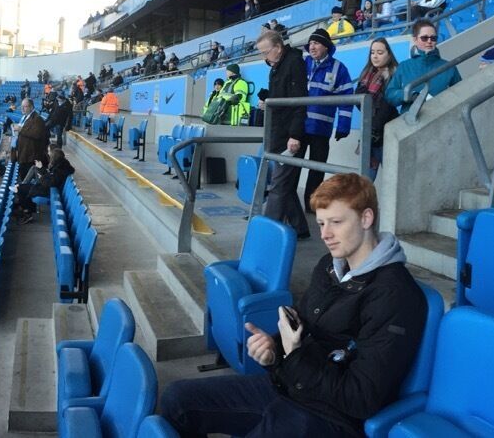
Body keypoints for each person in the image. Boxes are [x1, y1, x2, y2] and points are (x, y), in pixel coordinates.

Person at [158, 174, 425, 437]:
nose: (325, 234)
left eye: (336, 222)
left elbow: (362, 398)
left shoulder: (396, 296)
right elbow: (301, 330)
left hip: (330, 418)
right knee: (176, 400)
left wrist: (294, 355)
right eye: (321, 223)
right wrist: (273, 351)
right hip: (288, 387)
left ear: (366, 218)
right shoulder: (328, 267)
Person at [257, 24, 313, 237]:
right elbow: (280, 96)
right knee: (286, 186)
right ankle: (300, 228)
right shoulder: (276, 65)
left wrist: (295, 135)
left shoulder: (294, 63)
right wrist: (268, 102)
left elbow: (299, 101)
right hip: (278, 133)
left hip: (290, 135)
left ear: (278, 47)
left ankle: (266, 234)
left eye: (266, 52)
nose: (265, 57)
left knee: (279, 185)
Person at [301, 28, 355, 202]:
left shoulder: (339, 68)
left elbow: (346, 98)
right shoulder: (302, 63)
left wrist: (343, 125)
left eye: (316, 43)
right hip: (299, 127)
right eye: (310, 43)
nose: (312, 47)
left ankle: (312, 204)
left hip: (321, 129)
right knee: (292, 167)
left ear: (326, 46)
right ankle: (288, 203)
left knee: (317, 168)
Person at [386, 19, 460, 110]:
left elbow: (460, 95)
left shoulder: (449, 67)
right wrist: (408, 95)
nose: (429, 41)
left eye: (433, 38)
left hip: (442, 119)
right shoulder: (404, 66)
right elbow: (390, 95)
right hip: (410, 121)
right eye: (424, 38)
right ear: (415, 40)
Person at [356, 38, 400, 177]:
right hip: (369, 134)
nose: (375, 56)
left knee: (393, 178)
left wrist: (375, 126)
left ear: (388, 54)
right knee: (365, 181)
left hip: (387, 134)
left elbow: (389, 103)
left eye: (380, 52)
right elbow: (359, 102)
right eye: (372, 52)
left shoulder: (396, 74)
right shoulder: (366, 74)